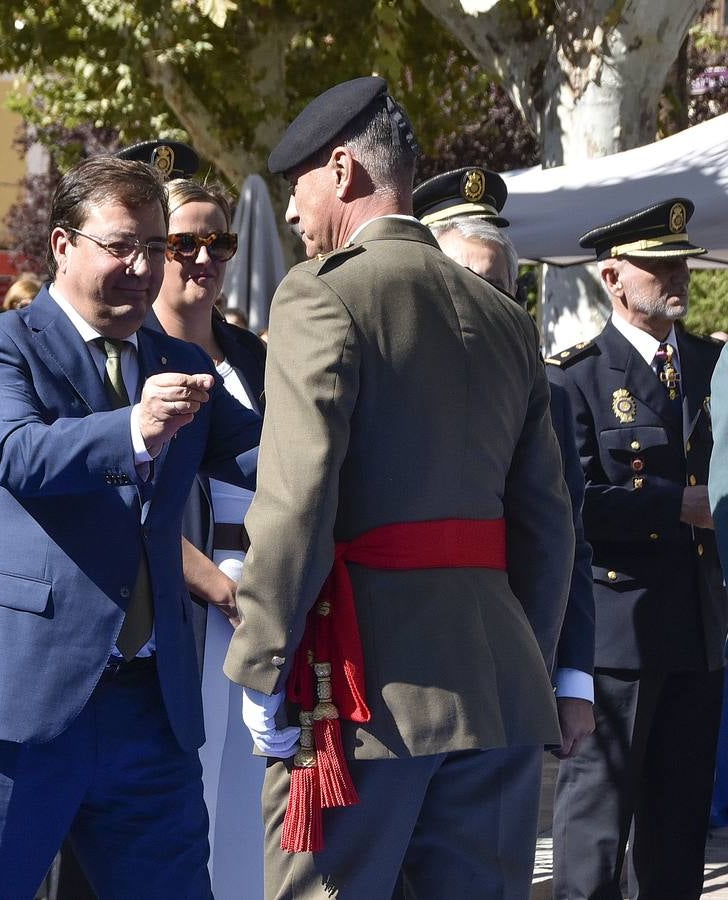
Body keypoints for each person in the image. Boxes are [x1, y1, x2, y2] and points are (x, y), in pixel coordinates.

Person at [224, 77, 572, 899]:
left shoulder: (323, 293)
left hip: (361, 695)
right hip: (497, 690)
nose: (292, 216)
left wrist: (262, 664)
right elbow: (548, 523)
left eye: (297, 188)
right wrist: (529, 659)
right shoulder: (505, 319)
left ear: (340, 171)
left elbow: (296, 502)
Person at [0, 154, 260, 898]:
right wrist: (135, 426)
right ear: (62, 246)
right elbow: (17, 453)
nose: (141, 266)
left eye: (154, 249)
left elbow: (274, 458)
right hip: (10, 706)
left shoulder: (183, 361)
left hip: (149, 712)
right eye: (120, 245)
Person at [549, 198, 725, 900]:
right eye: (658, 265)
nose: (675, 274)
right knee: (595, 828)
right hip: (616, 635)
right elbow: (570, 502)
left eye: (679, 260)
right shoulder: (578, 377)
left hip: (698, 626)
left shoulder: (714, 364)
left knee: (678, 832)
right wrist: (673, 506)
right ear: (614, 278)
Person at [419, 171, 597, 763]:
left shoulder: (548, 391)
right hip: (401, 675)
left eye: (498, 288)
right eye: (463, 283)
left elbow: (563, 534)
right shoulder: (387, 383)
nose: (483, 305)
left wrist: (570, 679)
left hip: (510, 670)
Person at [150, 172, 267, 897]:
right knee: (187, 801)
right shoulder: (133, 354)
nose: (204, 257)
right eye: (183, 241)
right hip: (185, 602)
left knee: (254, 802)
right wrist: (214, 582)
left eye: (219, 241)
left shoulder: (256, 355)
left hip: (266, 595)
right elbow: (127, 502)